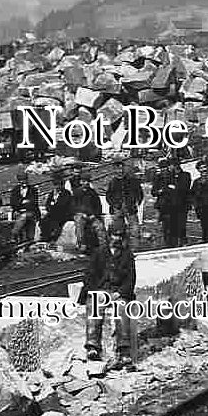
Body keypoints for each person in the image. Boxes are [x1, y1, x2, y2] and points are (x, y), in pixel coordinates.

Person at [80, 215, 136, 371]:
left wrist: (119, 293)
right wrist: (96, 292)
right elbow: (89, 276)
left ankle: (123, 350)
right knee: (93, 306)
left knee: (121, 309)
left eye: (119, 236)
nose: (116, 239)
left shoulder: (127, 256)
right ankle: (92, 346)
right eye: (114, 235)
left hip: (118, 292)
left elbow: (130, 280)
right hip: (100, 291)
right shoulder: (99, 253)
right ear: (109, 235)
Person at [152, 157, 191, 247]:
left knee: (180, 226)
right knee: (167, 227)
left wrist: (170, 188)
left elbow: (182, 189)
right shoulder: (162, 177)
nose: (167, 169)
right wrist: (163, 190)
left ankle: (181, 242)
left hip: (179, 205)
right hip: (166, 206)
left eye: (169, 166)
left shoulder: (183, 175)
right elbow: (155, 191)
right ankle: (170, 244)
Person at [106, 159, 144, 240]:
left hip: (130, 207)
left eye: (121, 168)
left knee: (134, 229)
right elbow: (108, 196)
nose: (120, 171)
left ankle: (135, 247)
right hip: (117, 208)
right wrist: (114, 205)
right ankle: (121, 248)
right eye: (117, 169)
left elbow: (139, 193)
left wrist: (137, 202)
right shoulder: (112, 182)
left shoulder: (132, 180)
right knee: (118, 231)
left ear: (124, 169)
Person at [72, 173, 103, 251]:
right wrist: (81, 213)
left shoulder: (93, 193)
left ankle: (102, 246)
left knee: (100, 227)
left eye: (87, 181)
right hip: (81, 215)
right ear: (80, 182)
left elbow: (98, 206)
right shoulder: (77, 192)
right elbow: (73, 206)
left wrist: (94, 215)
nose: (85, 183)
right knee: (79, 225)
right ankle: (82, 244)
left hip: (92, 215)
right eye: (83, 181)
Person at [40, 171, 74, 242]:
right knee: (44, 221)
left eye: (59, 185)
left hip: (63, 213)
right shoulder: (52, 193)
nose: (57, 187)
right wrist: (50, 208)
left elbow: (63, 205)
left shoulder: (66, 193)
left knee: (56, 223)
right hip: (53, 212)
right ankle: (44, 237)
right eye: (55, 185)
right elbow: (48, 204)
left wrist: (53, 206)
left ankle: (53, 238)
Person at [9, 166, 40, 244]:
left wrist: (21, 204)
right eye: (21, 181)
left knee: (24, 216)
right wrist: (23, 202)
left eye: (24, 180)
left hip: (31, 212)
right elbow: (13, 203)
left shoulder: (33, 190)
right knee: (21, 216)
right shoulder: (15, 190)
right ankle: (21, 240)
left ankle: (13, 235)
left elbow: (33, 203)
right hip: (18, 211)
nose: (23, 182)